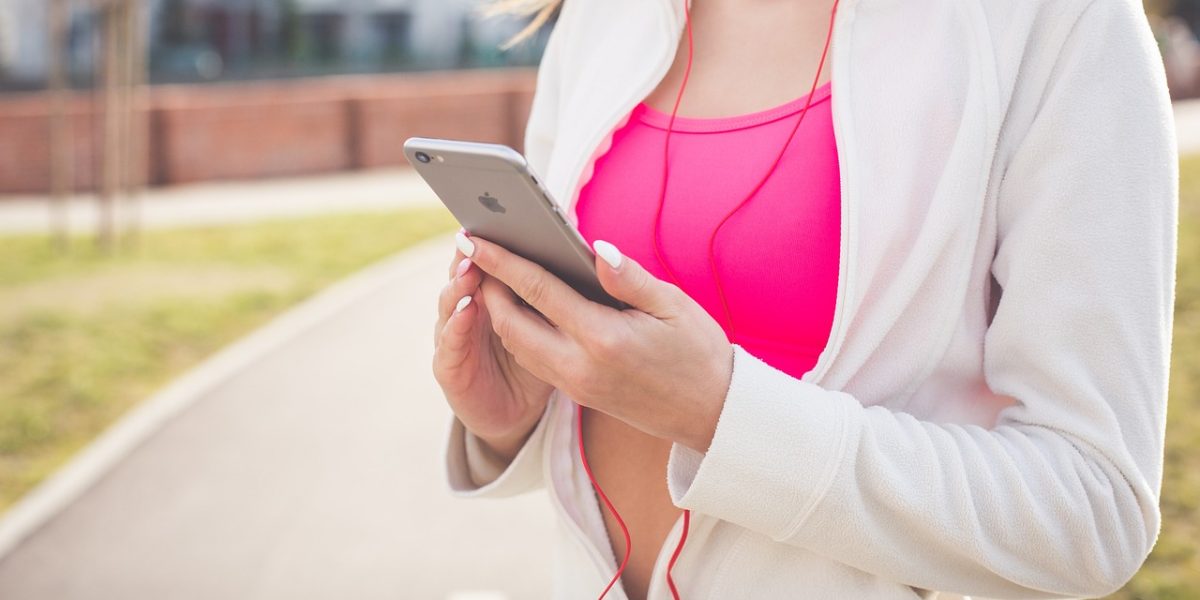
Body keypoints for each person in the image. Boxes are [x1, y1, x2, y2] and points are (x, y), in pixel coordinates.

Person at [432, 0, 1178, 598]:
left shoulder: (1060, 24)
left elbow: (1093, 508)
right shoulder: (604, 16)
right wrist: (514, 423)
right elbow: (615, 393)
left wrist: (724, 414)